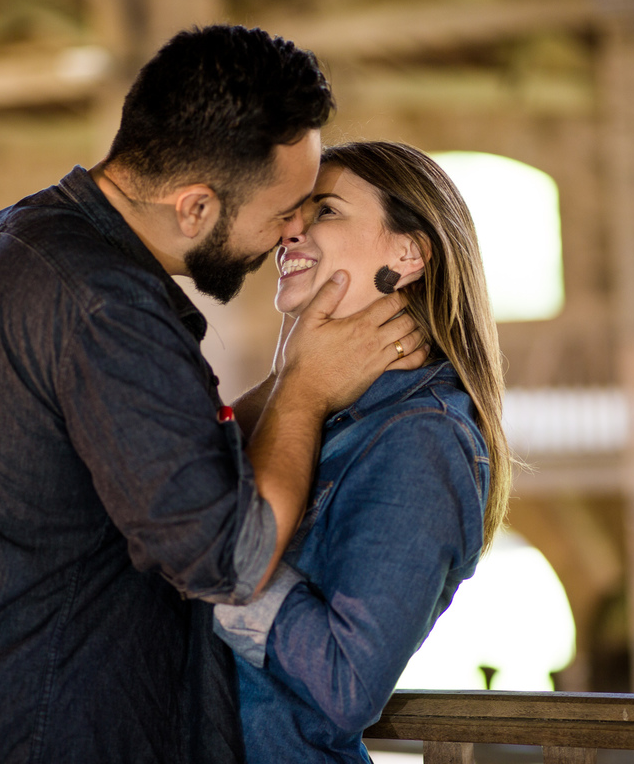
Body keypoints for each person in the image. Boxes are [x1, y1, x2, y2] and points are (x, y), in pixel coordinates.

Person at [0, 27, 427, 763]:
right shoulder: (104, 307)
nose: (290, 232)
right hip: (21, 732)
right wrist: (302, 390)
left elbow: (160, 474)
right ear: (196, 208)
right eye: (285, 211)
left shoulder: (24, 237)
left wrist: (302, 376)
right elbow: (232, 560)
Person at [213, 141, 511, 763]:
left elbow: (347, 684)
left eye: (323, 211)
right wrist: (291, 382)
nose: (289, 232)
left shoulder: (424, 437)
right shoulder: (320, 403)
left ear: (408, 253)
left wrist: (200, 565)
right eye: (292, 216)